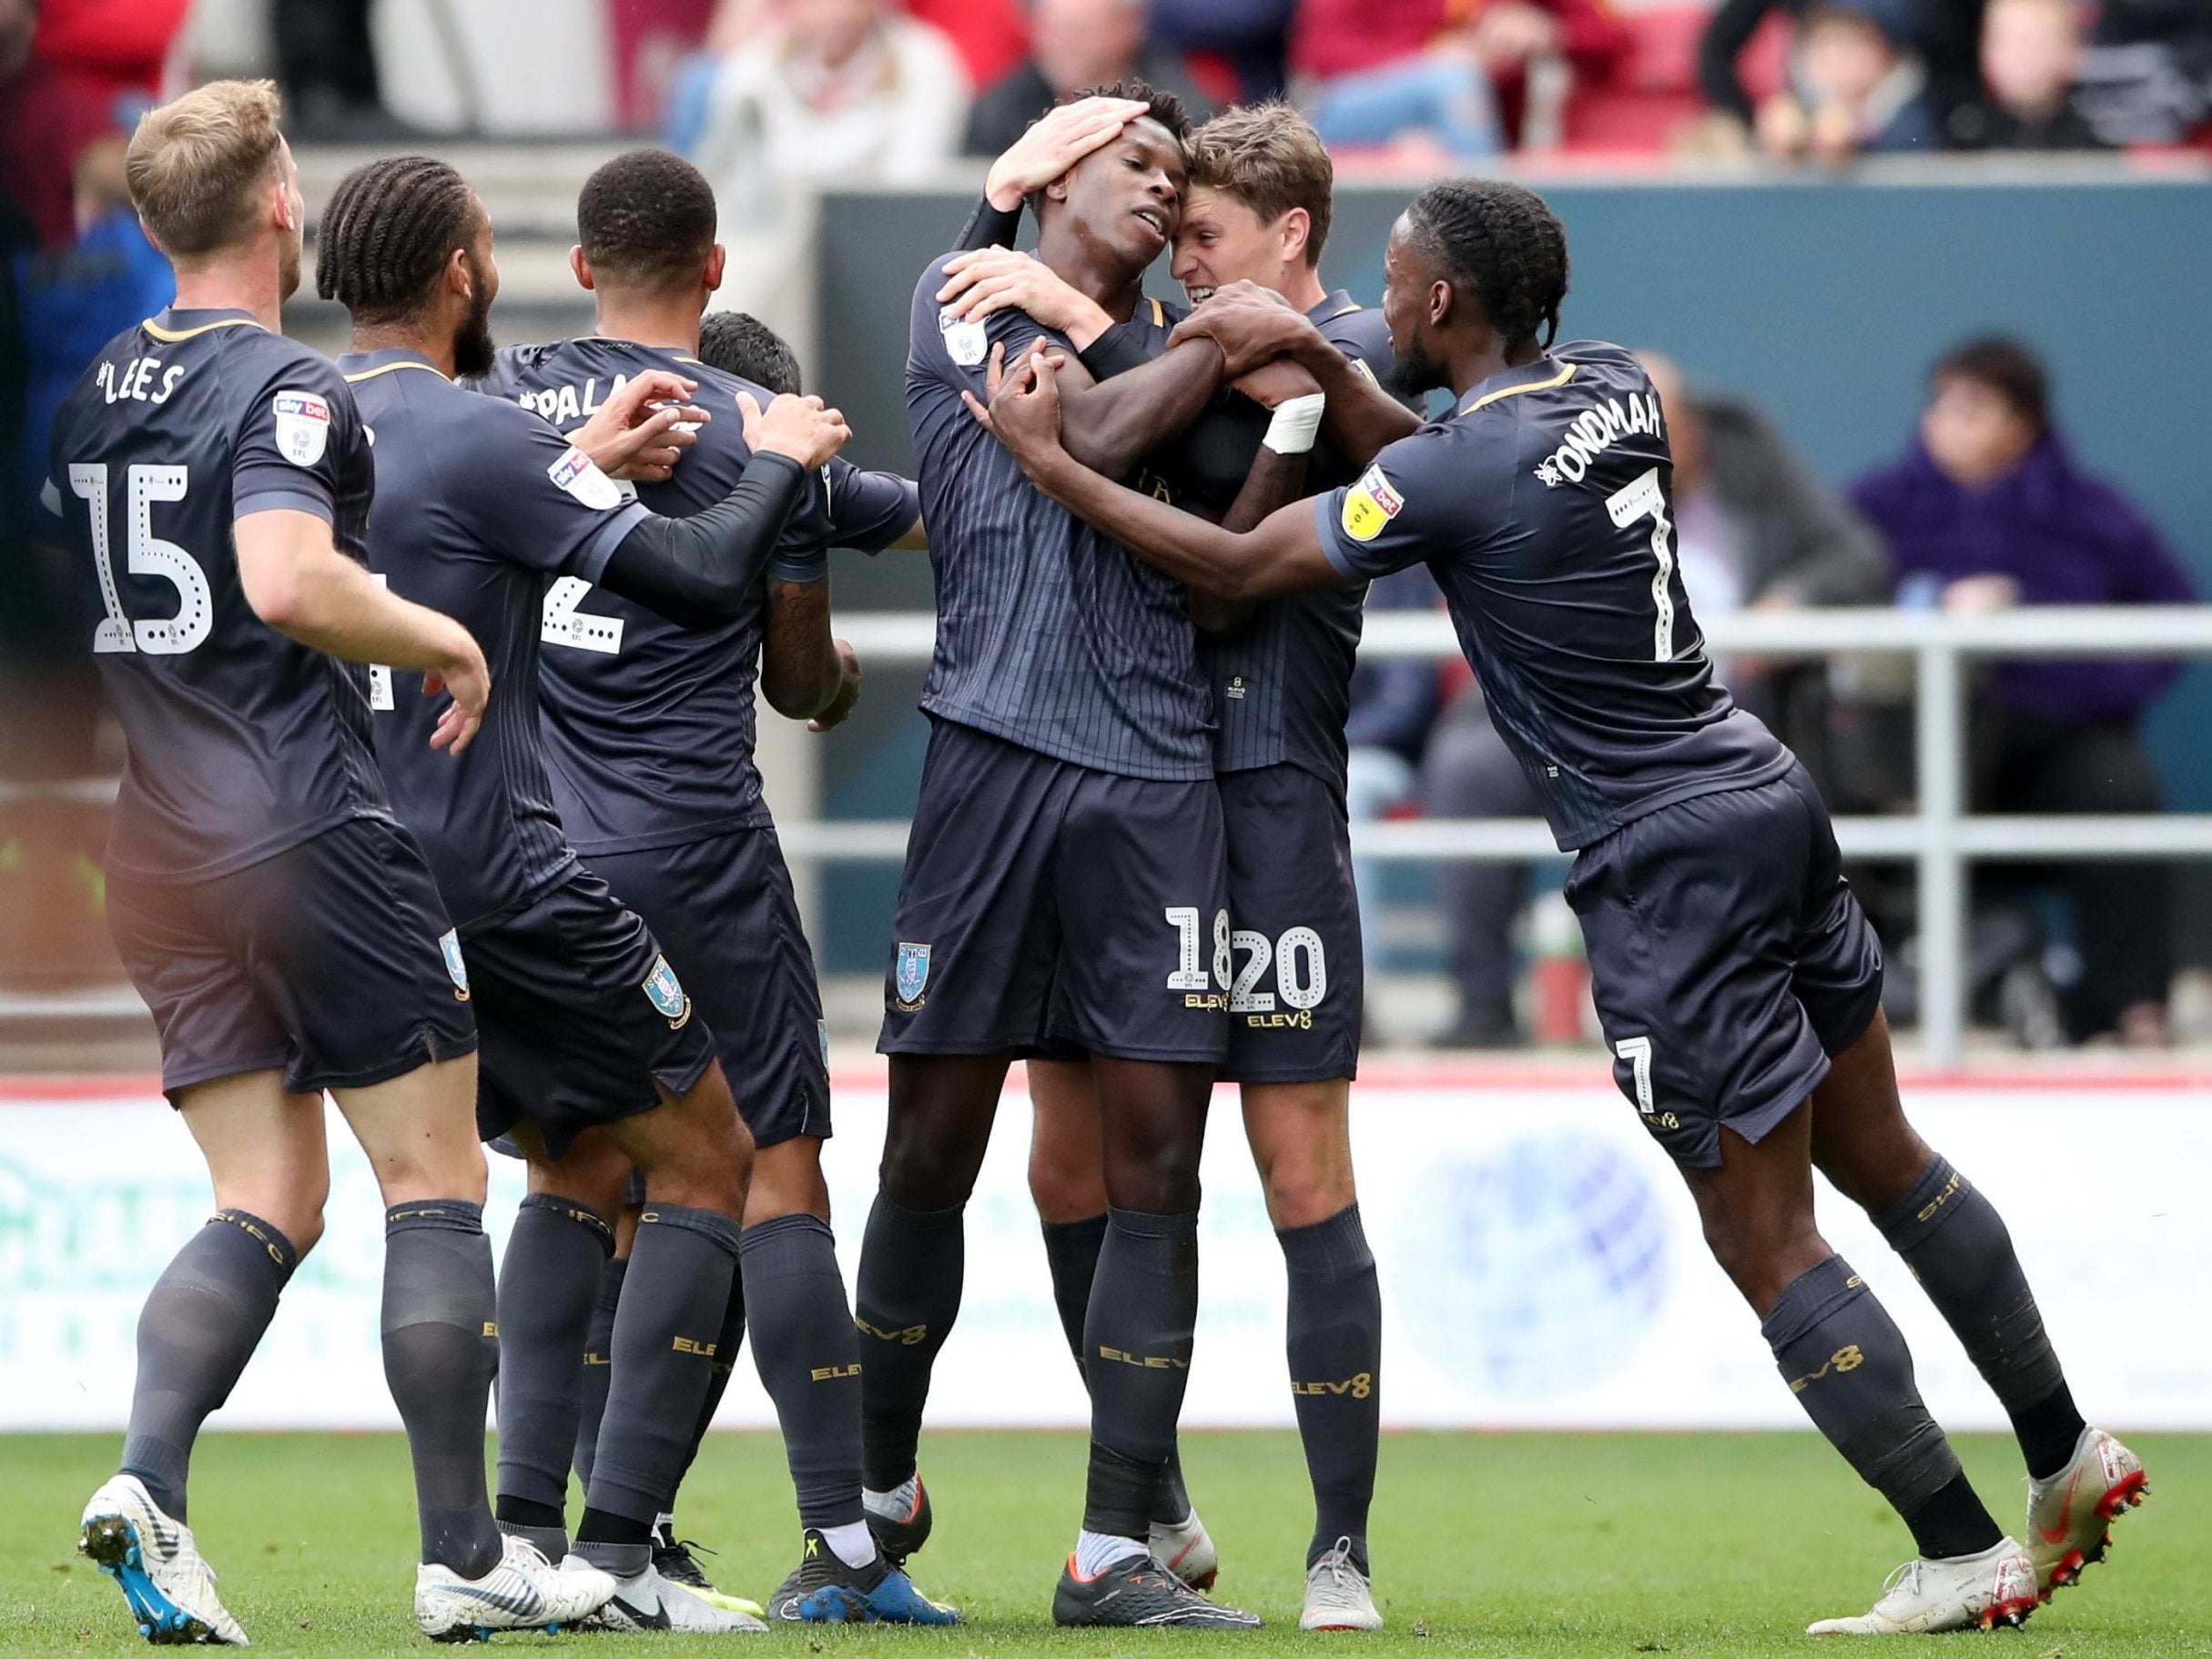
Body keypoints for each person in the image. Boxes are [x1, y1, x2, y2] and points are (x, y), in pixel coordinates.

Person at [979, 177, 2148, 1637]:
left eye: (1394, 286)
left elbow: (1230, 572)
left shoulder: (1450, 469)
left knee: (1763, 1233)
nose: (1382, 301)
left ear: (1439, 305)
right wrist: (1332, 361)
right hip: (1765, 794)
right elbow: (1450, 455)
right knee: (1888, 1159)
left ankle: (1961, 1545)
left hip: (1663, 864)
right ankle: (2061, 1446)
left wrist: (1047, 460)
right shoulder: (1611, 385)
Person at [46, 80, 613, 1644]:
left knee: (264, 1190)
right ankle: (464, 1555)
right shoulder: (293, 391)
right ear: (282, 206)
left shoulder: (97, 388)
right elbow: (288, 575)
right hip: (297, 816)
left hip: (158, 836)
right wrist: (442, 637)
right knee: (430, 1176)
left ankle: (149, 1481)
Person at [314, 151, 850, 1634]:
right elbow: (707, 583)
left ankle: (506, 1540)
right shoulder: (557, 424)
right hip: (539, 853)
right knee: (721, 1150)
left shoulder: (321, 426)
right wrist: (792, 457)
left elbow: (449, 525)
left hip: (359, 870)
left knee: (558, 1162)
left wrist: (582, 463)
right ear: (464, 269)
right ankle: (639, 1550)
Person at [939, 98, 1413, 1631]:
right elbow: (1088, 396)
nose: (1177, 270)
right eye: (1168, 244)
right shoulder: (1175, 338)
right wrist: (1034, 251)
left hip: (1266, 790)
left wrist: (1086, 313)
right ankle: (1146, 1500)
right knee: (1071, 1163)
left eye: (1200, 244)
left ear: (1286, 238)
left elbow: (1215, 571)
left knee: (1298, 1175)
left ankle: (1339, 1544)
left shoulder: (1358, 356)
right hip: (1131, 791)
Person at [471, 147, 951, 1626]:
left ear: (580, 260)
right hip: (698, 850)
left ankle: (519, 1534)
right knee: (769, 1169)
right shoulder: (766, 428)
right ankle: (843, 1537)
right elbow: (819, 655)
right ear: (718, 266)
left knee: (570, 1167)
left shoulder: (506, 406)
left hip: (536, 848)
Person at [856, 79, 1261, 1630]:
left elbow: (1209, 433)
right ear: (1053, 178)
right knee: (928, 1154)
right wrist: (996, 199)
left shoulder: (1194, 350)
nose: (1161, 185)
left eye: (1178, 171)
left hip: (1160, 783)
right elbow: (961, 278)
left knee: (1158, 1166)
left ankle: (1114, 1542)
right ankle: (875, 1510)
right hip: (984, 774)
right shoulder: (965, 304)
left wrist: (1077, 309)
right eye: (1133, 158)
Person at [1424, 351, 1890, 1048]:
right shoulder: (1548, 463)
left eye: (1660, 428)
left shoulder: (1749, 466)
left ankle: (1748, 1006)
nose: (1641, 446)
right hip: (1564, 716)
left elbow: (1856, 558)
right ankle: (1483, 1005)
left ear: (1695, 430)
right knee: (1466, 768)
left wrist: (1793, 602)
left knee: (1755, 778)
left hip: (1715, 712)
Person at [1850, 337, 2194, 1047]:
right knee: (1816, 802)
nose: (1948, 421)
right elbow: (1832, 593)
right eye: (1941, 404)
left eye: (1972, 407)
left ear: (2023, 423)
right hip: (1907, 745)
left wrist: (2053, 642)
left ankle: (2131, 1007)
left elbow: (2172, 617)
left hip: (2054, 739)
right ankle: (1849, 1007)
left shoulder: (2093, 511)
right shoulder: (1875, 506)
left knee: (2120, 790)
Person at [690, 0, 970, 192]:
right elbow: (728, 185)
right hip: (778, 254)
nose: (836, 11)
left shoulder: (925, 63)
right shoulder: (749, 72)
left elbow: (909, 187)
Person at [1293, 0, 1630, 158]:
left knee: (1437, 125)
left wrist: (1547, 30)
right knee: (1452, 79)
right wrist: (1432, 56)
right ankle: (1490, 230)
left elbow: (1617, 38)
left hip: (1471, 129)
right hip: (1356, 108)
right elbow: (1319, 53)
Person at [961, 0, 1211, 157]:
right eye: (1052, 29)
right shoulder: (999, 109)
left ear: (1127, 29)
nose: (1064, 45)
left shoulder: (1178, 110)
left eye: (1081, 31)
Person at [1752, 3, 1940, 159]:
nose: (1837, 60)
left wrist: (1854, 143)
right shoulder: (1797, 107)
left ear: (1888, 53)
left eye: (1853, 45)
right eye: (1825, 45)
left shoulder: (1914, 113)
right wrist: (1788, 146)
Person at [1945, 0, 2110, 147]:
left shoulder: (2099, 137)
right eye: (2011, 41)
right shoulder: (1958, 136)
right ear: (1984, 48)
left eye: (2037, 42)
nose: (2023, 56)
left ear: (2073, 50)